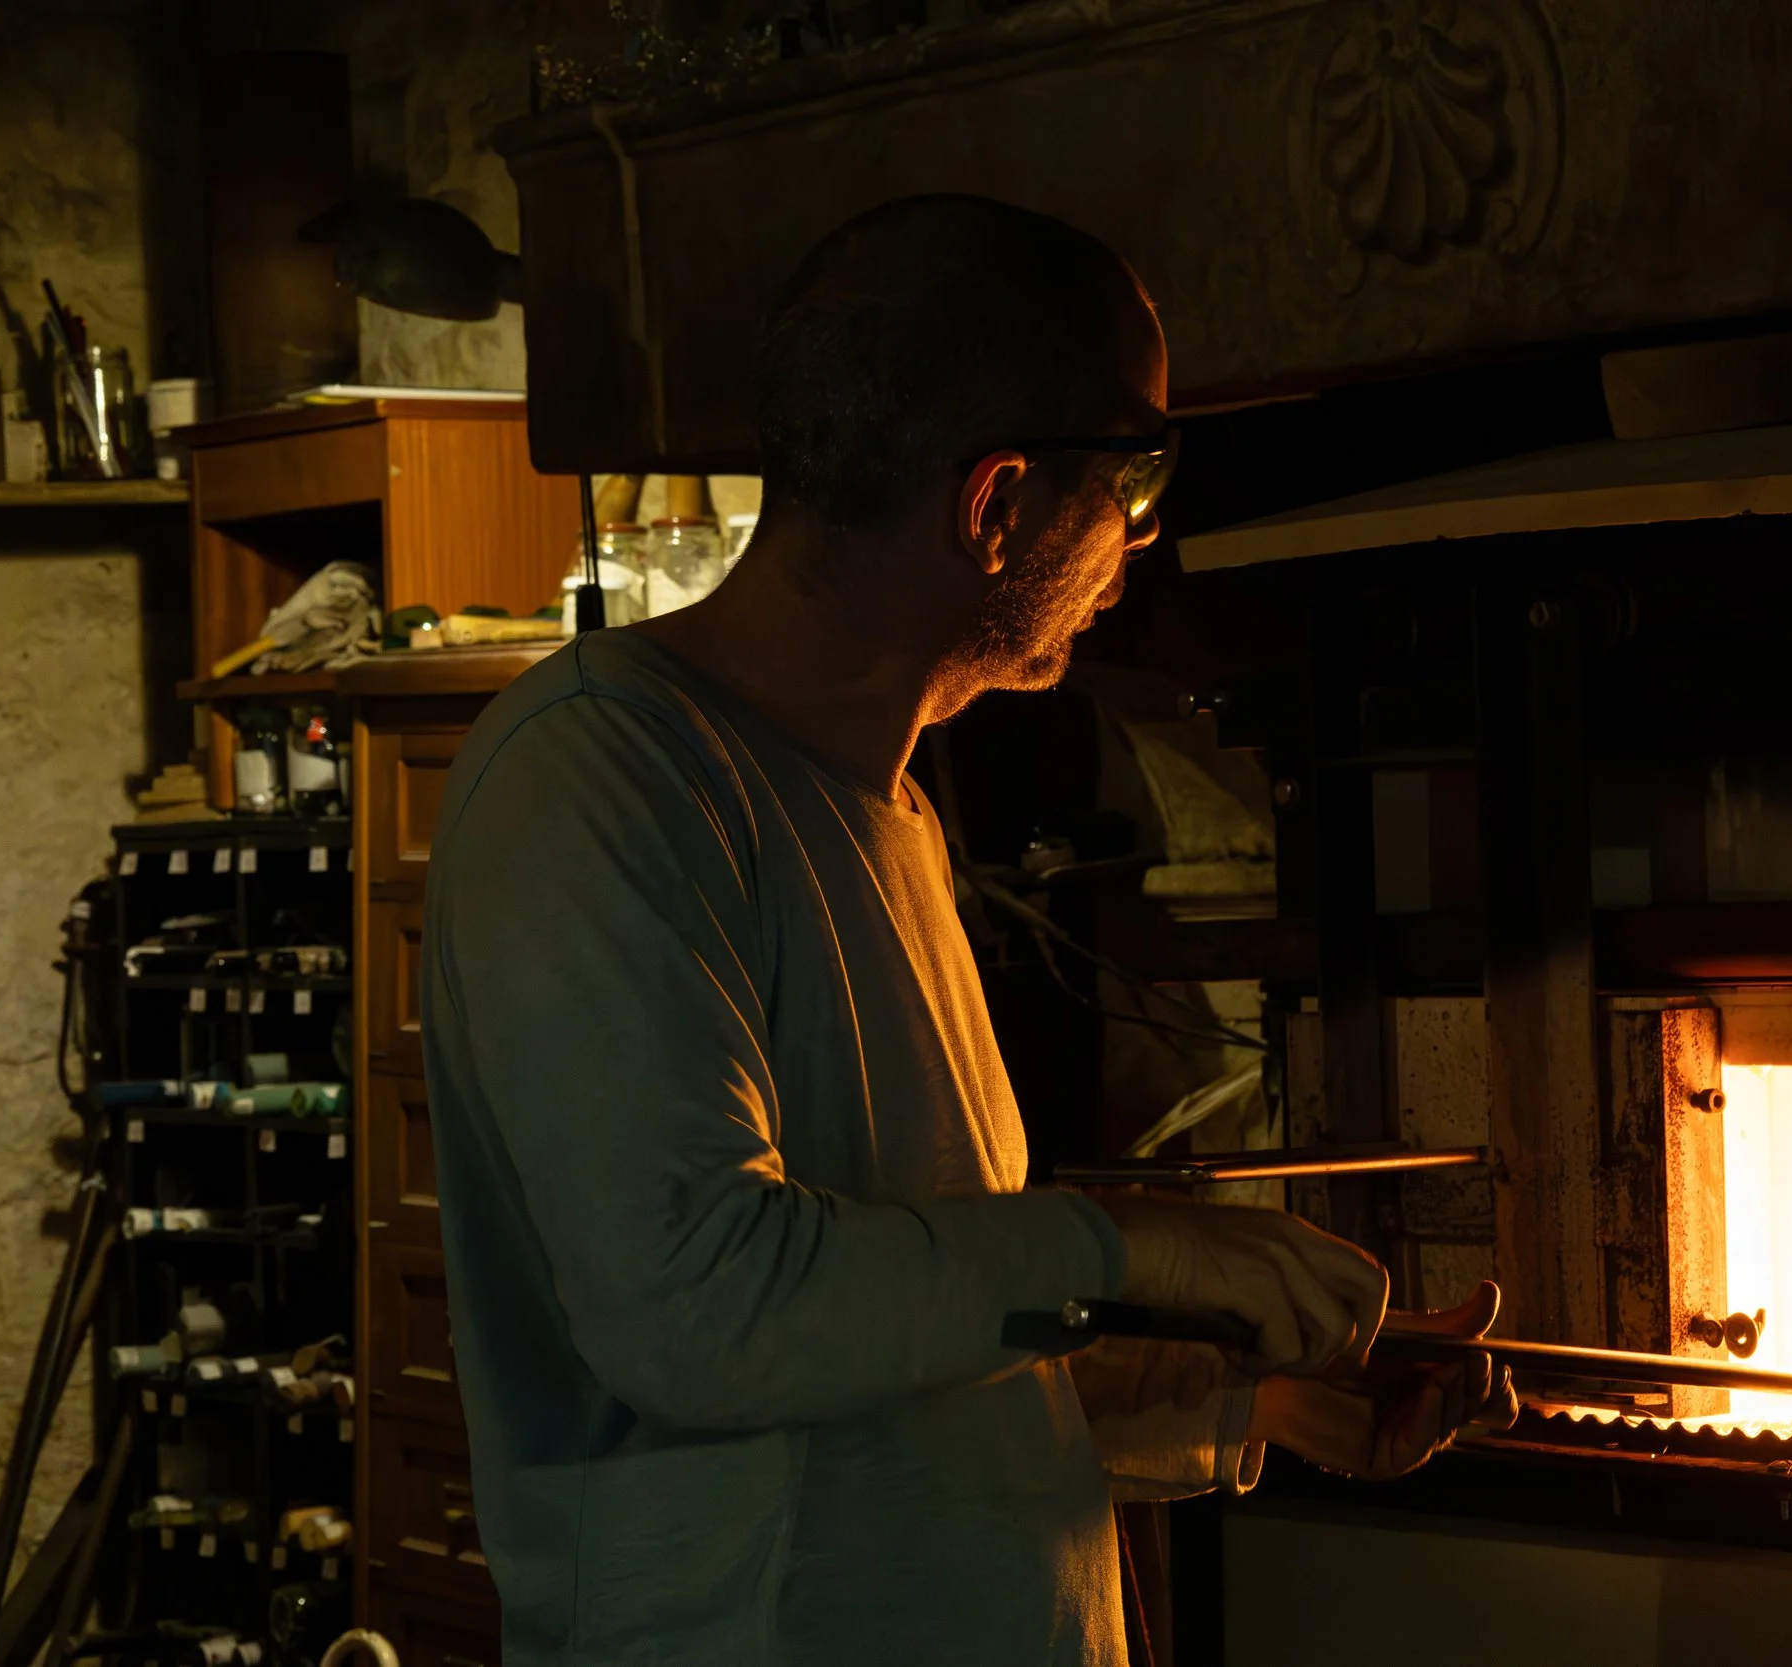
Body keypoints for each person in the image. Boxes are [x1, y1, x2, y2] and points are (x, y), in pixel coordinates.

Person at [421, 194, 1514, 1665]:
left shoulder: (895, 815)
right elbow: (699, 1311)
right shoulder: (602, 778)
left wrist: (1243, 1397)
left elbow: (911, 1330)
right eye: (1135, 474)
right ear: (997, 506)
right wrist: (1135, 1247)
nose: (1144, 530)